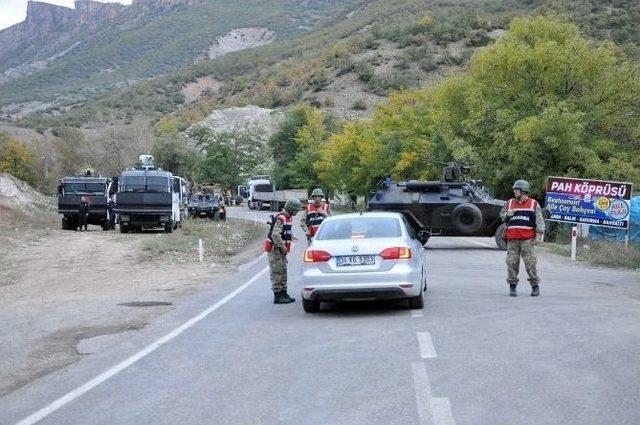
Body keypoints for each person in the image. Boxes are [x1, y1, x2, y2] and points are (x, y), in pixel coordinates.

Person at [500, 180, 545, 297]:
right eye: (514, 189)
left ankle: (535, 286)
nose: (514, 191)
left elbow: (539, 221)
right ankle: (512, 287)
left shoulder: (533, 204)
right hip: (512, 239)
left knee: (530, 263)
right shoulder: (509, 203)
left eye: (516, 189)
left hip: (527, 240)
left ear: (523, 191)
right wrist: (508, 214)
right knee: (511, 263)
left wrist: (538, 236)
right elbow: (502, 217)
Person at [265, 198, 302, 304]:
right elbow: (275, 234)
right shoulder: (281, 217)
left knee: (283, 271)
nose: (297, 212)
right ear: (291, 209)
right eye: (296, 210)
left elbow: (284, 231)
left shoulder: (288, 217)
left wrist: (291, 236)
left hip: (281, 250)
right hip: (275, 249)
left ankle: (283, 293)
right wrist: (282, 246)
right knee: (277, 272)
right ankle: (278, 295)